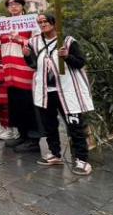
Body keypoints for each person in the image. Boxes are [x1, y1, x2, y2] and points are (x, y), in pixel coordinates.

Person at [24, 13, 94, 176]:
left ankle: (82, 159)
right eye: (40, 22)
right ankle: (55, 154)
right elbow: (34, 65)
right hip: (46, 91)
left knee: (75, 126)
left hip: (67, 91)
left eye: (45, 21)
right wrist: (27, 56)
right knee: (49, 125)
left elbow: (80, 62)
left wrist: (67, 57)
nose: (43, 24)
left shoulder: (68, 41)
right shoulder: (34, 42)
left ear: (54, 23)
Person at [0, 0, 40, 152]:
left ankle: (33, 139)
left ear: (22, 6)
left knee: (28, 104)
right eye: (10, 5)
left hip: (25, 70)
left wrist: (20, 39)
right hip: (9, 72)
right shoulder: (4, 24)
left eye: (16, 4)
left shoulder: (31, 22)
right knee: (16, 105)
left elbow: (38, 42)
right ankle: (22, 135)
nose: (13, 7)